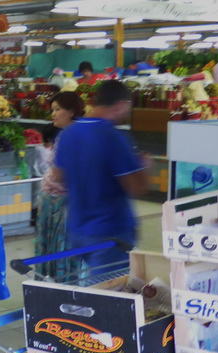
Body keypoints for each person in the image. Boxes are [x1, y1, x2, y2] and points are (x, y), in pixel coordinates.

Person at [54, 80, 149, 278]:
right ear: (121, 104)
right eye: (127, 108)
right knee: (108, 294)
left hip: (78, 229)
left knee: (92, 286)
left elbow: (57, 175)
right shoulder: (113, 137)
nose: (126, 113)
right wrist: (143, 167)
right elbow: (136, 188)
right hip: (110, 232)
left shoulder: (69, 133)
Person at [34, 92, 86, 280]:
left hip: (63, 205)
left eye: (57, 109)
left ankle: (60, 291)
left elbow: (63, 172)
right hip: (59, 201)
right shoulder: (72, 134)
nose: (53, 114)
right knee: (61, 251)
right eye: (52, 110)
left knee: (60, 250)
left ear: (71, 112)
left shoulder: (70, 137)